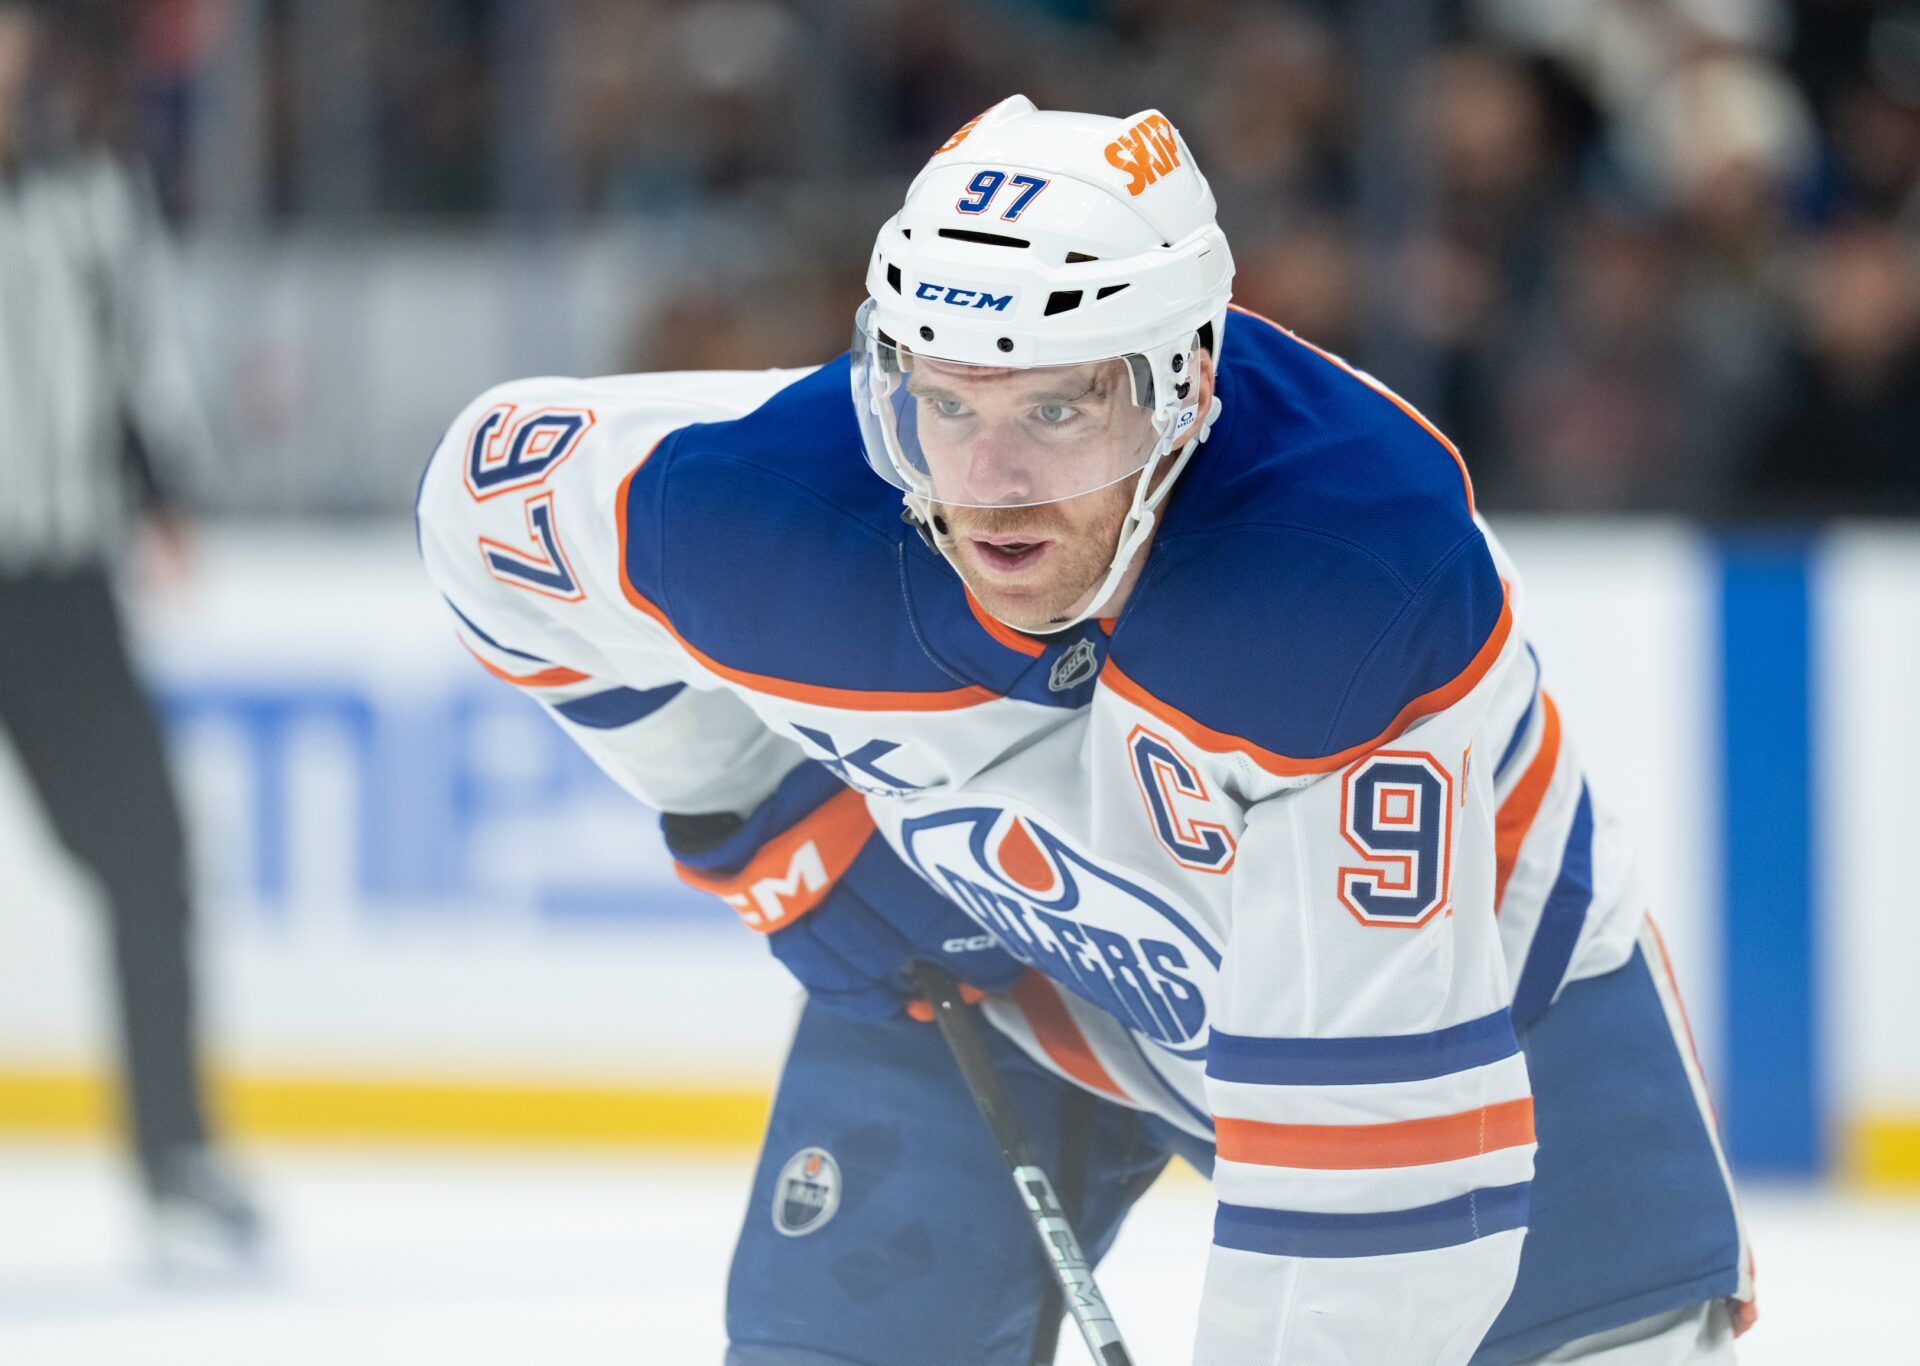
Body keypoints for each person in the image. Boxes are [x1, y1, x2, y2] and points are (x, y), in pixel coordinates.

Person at [418, 96, 1754, 1364]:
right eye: (948, 404)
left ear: (1183, 383)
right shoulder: (778, 503)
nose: (993, 484)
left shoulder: (1337, 576)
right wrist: (779, 825)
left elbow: (1366, 1210)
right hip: (1010, 977)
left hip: (1493, 1046)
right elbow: (488, 522)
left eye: (1059, 408)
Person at [0, 0, 258, 1271]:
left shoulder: (89, 196)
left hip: (54, 582)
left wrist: (163, 494)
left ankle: (178, 1160)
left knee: (148, 857)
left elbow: (138, 362)